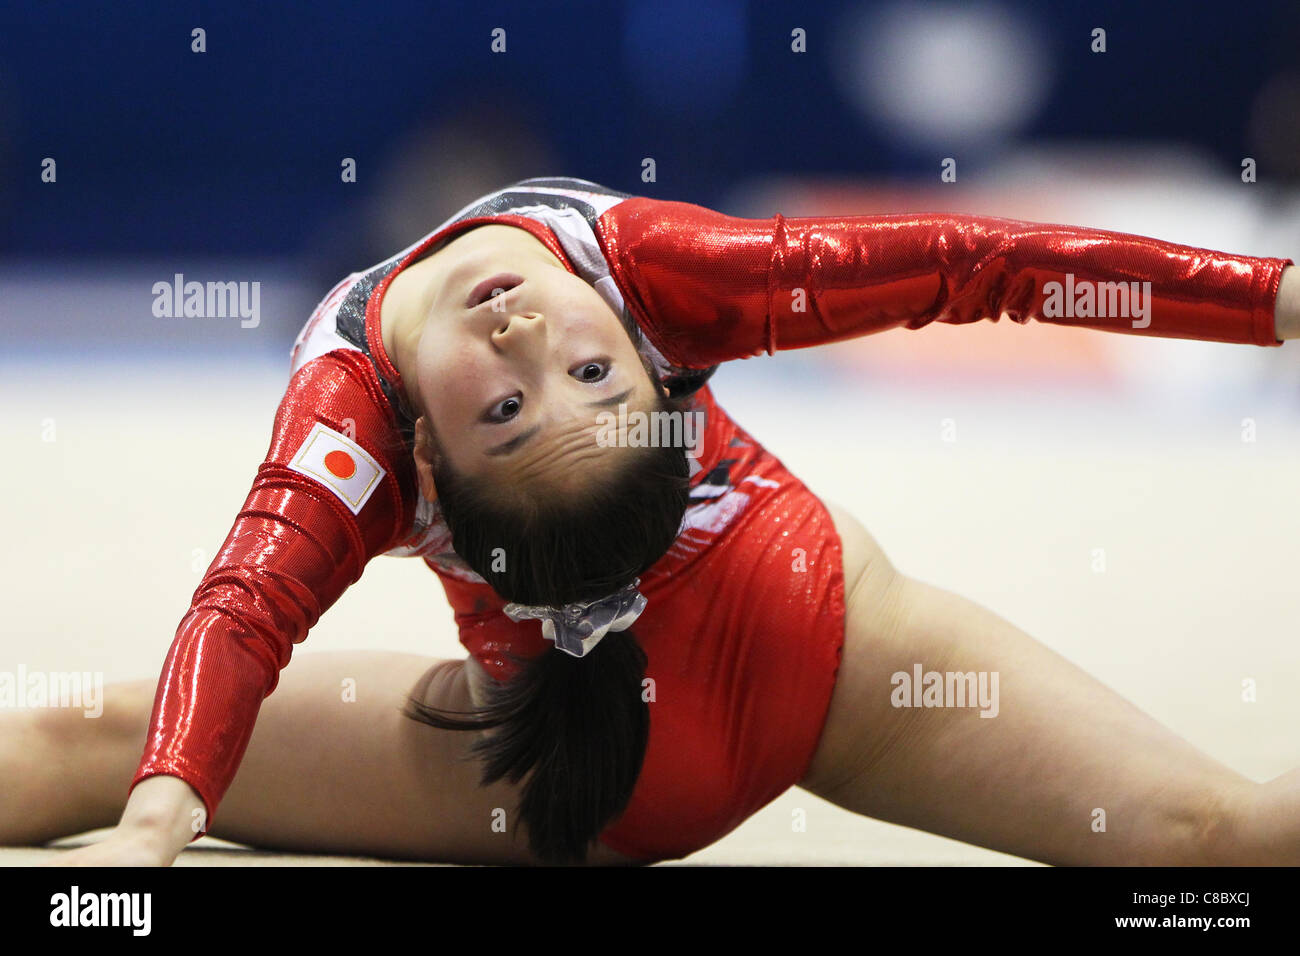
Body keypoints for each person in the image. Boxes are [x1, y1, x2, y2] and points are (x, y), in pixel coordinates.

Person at [20, 176, 1300, 866]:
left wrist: (156, 815)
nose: (532, 338)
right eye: (558, 392)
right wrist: (1272, 299)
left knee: (98, 733)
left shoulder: (356, 429)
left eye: (544, 398)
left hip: (576, 782)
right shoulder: (653, 277)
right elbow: (986, 265)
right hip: (828, 655)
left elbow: (241, 615)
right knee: (1218, 834)